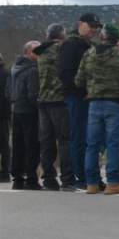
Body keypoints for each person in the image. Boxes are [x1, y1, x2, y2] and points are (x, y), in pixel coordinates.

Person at [75, 22, 119, 194]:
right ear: (117, 40)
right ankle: (113, 182)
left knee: (92, 145)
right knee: (113, 144)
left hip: (93, 103)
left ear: (101, 37)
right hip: (115, 104)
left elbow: (79, 80)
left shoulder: (88, 53)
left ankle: (92, 183)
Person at [59, 12, 102, 189]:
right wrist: (81, 92)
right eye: (91, 26)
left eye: (96, 27)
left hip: (90, 97)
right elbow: (64, 72)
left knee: (92, 139)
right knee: (80, 137)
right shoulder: (70, 44)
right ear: (80, 24)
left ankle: (92, 177)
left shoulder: (89, 45)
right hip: (77, 98)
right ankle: (83, 178)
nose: (94, 30)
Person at [35, 24, 76, 191]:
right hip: (59, 101)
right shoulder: (61, 49)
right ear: (63, 36)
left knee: (47, 143)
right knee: (65, 141)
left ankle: (49, 179)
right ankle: (67, 179)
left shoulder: (40, 52)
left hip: (43, 101)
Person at [10, 42, 41, 190]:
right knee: (32, 146)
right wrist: (39, 108)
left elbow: (6, 91)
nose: (40, 54)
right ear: (29, 53)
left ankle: (17, 178)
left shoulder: (13, 69)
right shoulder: (33, 70)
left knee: (18, 145)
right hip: (29, 111)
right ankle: (31, 179)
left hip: (16, 110)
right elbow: (33, 94)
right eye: (37, 51)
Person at [0, 51, 10, 184]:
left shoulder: (4, 74)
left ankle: (5, 172)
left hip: (2, 114)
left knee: (3, 144)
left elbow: (4, 97)